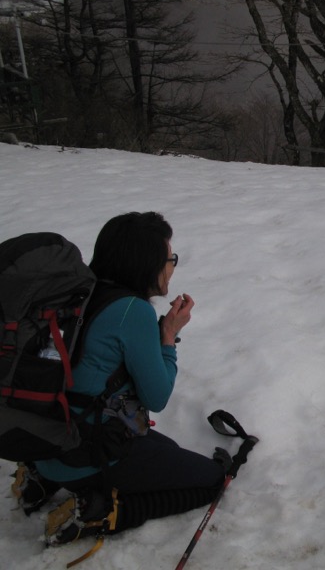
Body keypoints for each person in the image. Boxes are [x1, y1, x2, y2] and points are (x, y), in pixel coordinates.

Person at [12, 212, 226, 546]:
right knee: (213, 480)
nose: (172, 266)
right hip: (87, 452)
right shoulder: (133, 311)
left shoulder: (82, 294)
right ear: (147, 263)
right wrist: (168, 336)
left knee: (165, 449)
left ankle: (41, 477)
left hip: (47, 437)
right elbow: (157, 396)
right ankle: (102, 511)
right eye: (170, 258)